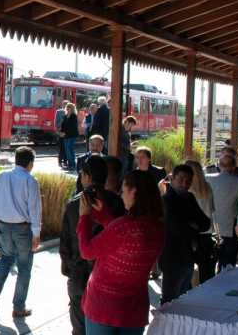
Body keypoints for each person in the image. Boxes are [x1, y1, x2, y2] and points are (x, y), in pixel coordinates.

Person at [77, 171, 165, 334]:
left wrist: (84, 218)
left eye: (123, 190)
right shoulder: (158, 227)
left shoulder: (122, 227)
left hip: (103, 306)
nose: (121, 194)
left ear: (134, 192)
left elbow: (87, 251)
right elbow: (127, 240)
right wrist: (104, 216)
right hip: (134, 309)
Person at [60, 155, 125, 335]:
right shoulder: (116, 202)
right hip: (108, 277)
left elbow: (64, 244)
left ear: (87, 176)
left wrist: (69, 270)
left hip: (79, 275)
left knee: (79, 327)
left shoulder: (74, 204)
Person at [0, 147, 42, 319]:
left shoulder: (1, 176)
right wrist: (36, 234)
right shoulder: (31, 181)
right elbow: (34, 209)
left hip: (3, 225)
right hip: (23, 229)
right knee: (24, 268)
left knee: (5, 258)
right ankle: (18, 307)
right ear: (30, 163)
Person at [158, 164, 212, 303]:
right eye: (181, 179)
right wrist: (192, 225)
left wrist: (190, 225)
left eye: (188, 181)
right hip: (172, 255)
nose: (184, 184)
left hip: (188, 254)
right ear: (173, 179)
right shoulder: (167, 200)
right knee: (170, 299)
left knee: (183, 297)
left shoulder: (189, 197)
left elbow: (206, 223)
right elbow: (177, 228)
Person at [206, 153, 238, 271]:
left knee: (210, 261)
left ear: (219, 165)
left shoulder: (208, 178)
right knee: (228, 264)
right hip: (231, 225)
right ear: (233, 166)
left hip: (212, 225)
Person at [186, 161, 217, 283]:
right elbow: (212, 209)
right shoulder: (208, 187)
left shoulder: (188, 192)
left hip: (193, 234)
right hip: (207, 233)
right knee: (206, 271)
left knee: (189, 270)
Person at [60, 103, 79, 171]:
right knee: (67, 150)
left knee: (70, 149)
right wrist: (61, 132)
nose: (67, 108)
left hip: (72, 135)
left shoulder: (74, 116)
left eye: (69, 107)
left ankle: (73, 165)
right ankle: (70, 164)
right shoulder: (65, 116)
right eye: (67, 107)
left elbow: (72, 127)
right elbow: (63, 125)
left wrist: (65, 132)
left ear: (72, 108)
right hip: (66, 135)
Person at [56, 100, 68, 168]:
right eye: (64, 104)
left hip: (67, 132)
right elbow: (56, 122)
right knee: (61, 148)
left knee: (66, 148)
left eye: (66, 104)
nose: (65, 106)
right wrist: (58, 131)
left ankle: (65, 161)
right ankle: (60, 161)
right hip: (61, 132)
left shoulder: (71, 112)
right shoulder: (59, 111)